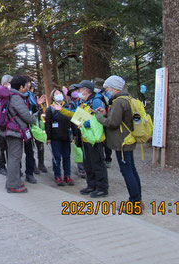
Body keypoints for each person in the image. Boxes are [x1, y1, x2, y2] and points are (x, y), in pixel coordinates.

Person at [53, 80, 109, 197]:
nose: (78, 92)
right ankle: (91, 185)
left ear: (86, 90)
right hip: (85, 137)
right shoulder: (83, 102)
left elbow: (101, 117)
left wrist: (89, 122)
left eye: (80, 89)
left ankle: (102, 188)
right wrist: (61, 110)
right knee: (88, 163)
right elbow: (75, 114)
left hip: (95, 138)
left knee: (98, 163)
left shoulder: (96, 101)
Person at [95, 75, 143, 210]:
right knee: (132, 170)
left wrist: (99, 116)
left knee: (127, 172)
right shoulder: (127, 99)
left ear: (114, 88)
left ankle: (134, 203)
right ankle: (138, 200)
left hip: (121, 141)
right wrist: (106, 113)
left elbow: (113, 123)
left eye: (107, 88)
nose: (106, 90)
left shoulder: (118, 102)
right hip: (127, 139)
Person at [4, 75, 39, 193]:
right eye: (25, 85)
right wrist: (34, 119)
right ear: (21, 86)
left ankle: (13, 181)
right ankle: (13, 185)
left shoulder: (11, 95)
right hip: (14, 132)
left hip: (12, 131)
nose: (26, 88)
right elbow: (25, 114)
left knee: (13, 157)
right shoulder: (16, 97)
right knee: (15, 158)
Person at [44, 88, 77, 186]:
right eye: (56, 93)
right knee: (57, 157)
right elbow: (47, 124)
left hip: (66, 135)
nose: (58, 95)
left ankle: (67, 175)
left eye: (59, 93)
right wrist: (48, 137)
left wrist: (75, 134)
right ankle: (57, 175)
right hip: (55, 137)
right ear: (53, 97)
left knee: (67, 156)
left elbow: (73, 120)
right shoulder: (50, 109)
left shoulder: (68, 106)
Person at [93, 77, 113, 167]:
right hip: (99, 120)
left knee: (105, 140)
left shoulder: (105, 96)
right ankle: (104, 158)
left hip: (104, 119)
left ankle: (107, 158)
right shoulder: (102, 95)